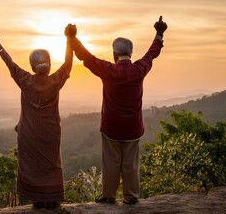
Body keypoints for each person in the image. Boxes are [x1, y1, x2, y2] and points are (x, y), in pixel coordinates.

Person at [67, 16, 168, 204]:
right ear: (131, 53)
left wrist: (73, 39)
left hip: (111, 127)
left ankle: (108, 195)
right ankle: (131, 197)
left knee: (111, 163)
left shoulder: (108, 70)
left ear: (115, 54)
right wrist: (159, 33)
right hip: (133, 128)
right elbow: (151, 54)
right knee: (130, 164)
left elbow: (87, 58)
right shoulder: (139, 69)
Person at [0, 25, 75, 208]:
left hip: (29, 133)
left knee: (31, 165)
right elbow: (68, 63)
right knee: (52, 163)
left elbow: (9, 62)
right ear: (48, 63)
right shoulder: (55, 81)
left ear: (32, 65)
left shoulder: (25, 80)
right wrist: (69, 40)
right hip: (51, 132)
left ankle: (37, 199)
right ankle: (51, 199)